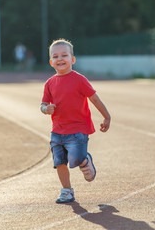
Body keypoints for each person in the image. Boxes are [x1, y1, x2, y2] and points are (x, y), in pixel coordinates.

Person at [41, 39, 111, 203]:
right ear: (51, 62)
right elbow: (43, 103)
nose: (60, 59)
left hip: (78, 129)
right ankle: (66, 191)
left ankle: (85, 160)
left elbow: (94, 99)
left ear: (72, 59)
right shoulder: (49, 83)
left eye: (64, 55)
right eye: (56, 56)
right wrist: (45, 109)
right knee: (59, 163)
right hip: (57, 130)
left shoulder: (79, 79)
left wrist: (107, 116)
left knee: (77, 158)